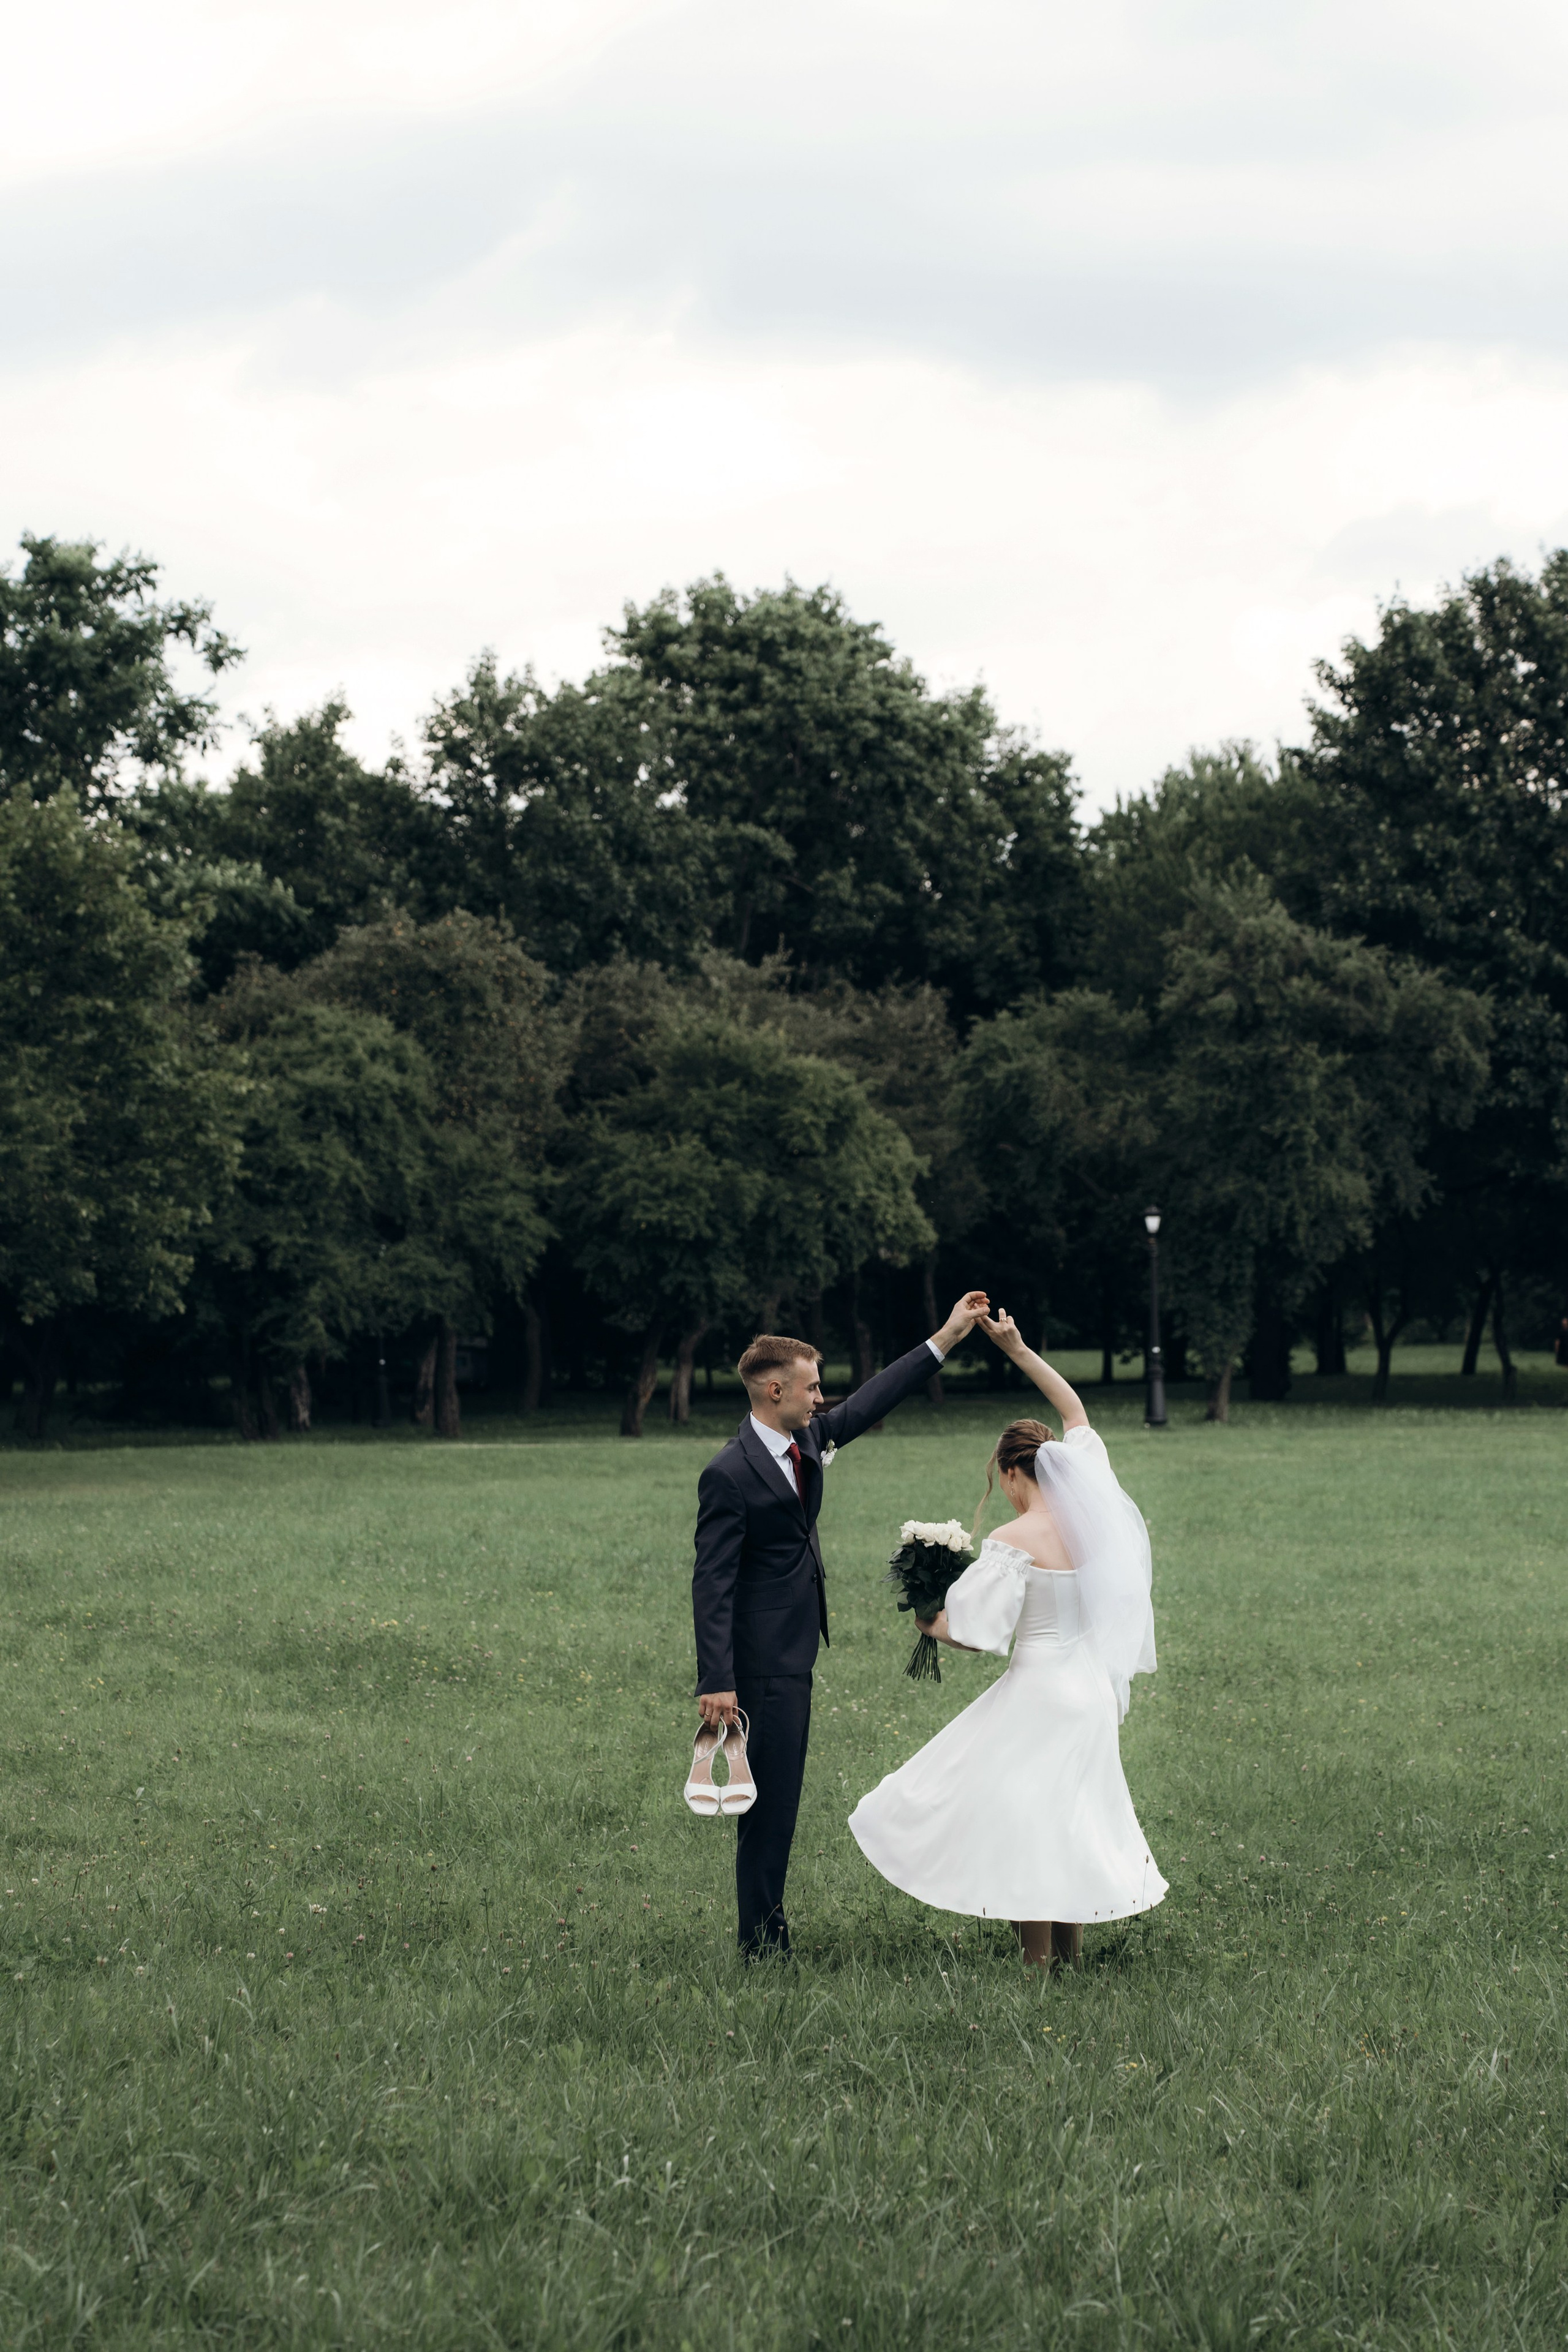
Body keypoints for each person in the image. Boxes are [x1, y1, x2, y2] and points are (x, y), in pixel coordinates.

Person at [848, 1311, 1166, 1967]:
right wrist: (1018, 1349)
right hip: (1092, 1691)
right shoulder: (1094, 1513)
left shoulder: (1015, 1541)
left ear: (1014, 1472)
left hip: (1040, 1691)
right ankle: (1070, 1954)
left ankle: (1037, 1961)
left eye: (1004, 1482)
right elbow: (1073, 1407)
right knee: (1071, 1819)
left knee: (1028, 1826)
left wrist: (926, 1620)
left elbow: (973, 1632)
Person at [692, 1290, 992, 1958]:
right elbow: (710, 1583)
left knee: (782, 1799)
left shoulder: (805, 1436)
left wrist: (944, 1337)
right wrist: (717, 1680)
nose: (821, 1397)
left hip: (796, 1651)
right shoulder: (728, 1474)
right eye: (811, 1386)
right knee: (767, 1807)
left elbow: (871, 1401)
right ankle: (761, 1945)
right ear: (774, 1390)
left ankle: (765, 1931)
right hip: (759, 1660)